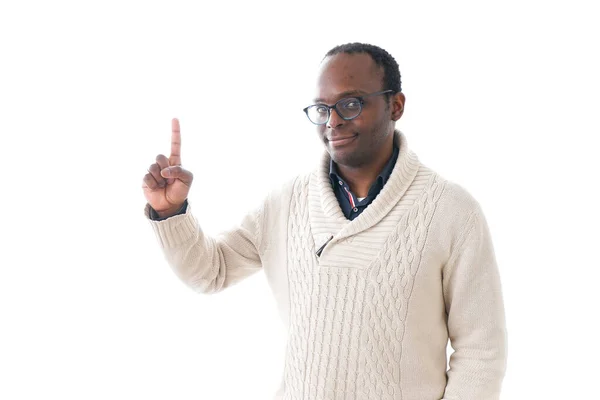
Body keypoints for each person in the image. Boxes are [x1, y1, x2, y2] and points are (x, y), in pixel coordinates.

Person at [142, 43, 507, 400]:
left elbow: (481, 353)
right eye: (322, 108)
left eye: (350, 104)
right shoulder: (286, 203)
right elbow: (211, 272)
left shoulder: (452, 211)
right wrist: (170, 212)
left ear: (395, 105)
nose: (332, 121)